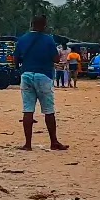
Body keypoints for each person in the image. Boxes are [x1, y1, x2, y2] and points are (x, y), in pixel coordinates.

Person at [14, 15, 68, 151]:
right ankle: (54, 142)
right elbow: (56, 59)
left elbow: (16, 59)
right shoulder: (48, 39)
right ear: (44, 25)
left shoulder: (22, 39)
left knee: (28, 110)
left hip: (26, 74)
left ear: (32, 24)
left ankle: (27, 144)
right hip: (43, 75)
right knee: (49, 111)